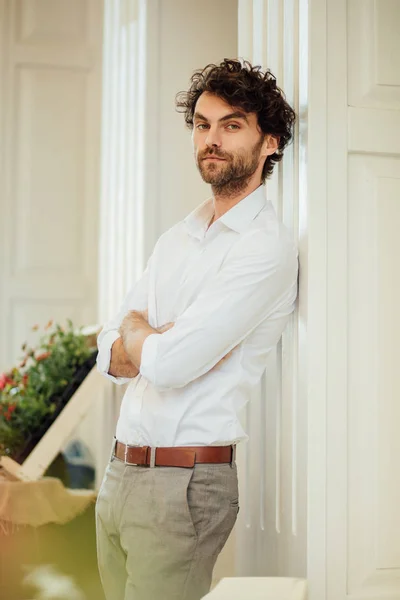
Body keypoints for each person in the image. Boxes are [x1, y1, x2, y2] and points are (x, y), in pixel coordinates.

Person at [95, 58, 298, 600]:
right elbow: (106, 349)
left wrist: (142, 340)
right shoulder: (176, 238)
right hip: (120, 472)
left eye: (232, 125)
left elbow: (172, 365)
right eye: (202, 124)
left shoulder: (265, 247)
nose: (212, 139)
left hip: (183, 485)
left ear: (270, 142)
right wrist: (147, 338)